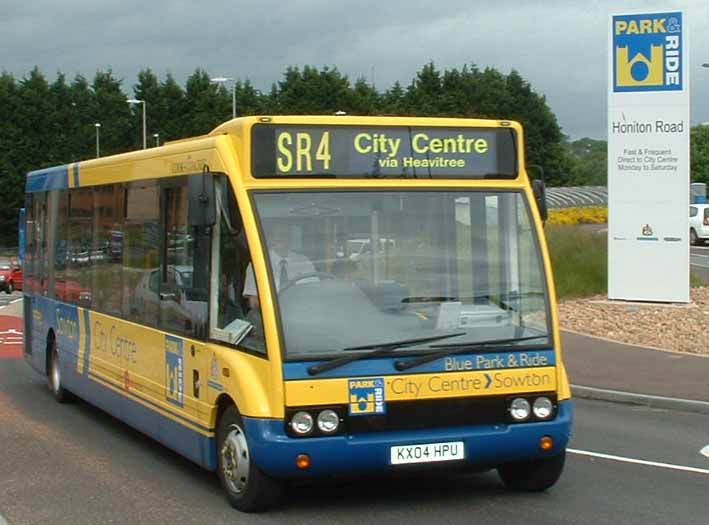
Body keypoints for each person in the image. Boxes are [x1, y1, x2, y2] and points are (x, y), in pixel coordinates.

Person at [242, 222, 315, 309]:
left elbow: (313, 293)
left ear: (291, 238)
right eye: (278, 236)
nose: (283, 239)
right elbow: (253, 303)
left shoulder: (304, 262)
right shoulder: (258, 264)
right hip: (271, 315)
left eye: (286, 235)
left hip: (301, 311)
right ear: (270, 239)